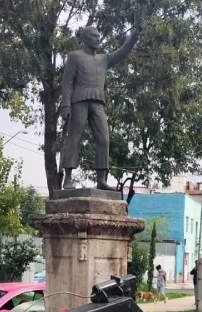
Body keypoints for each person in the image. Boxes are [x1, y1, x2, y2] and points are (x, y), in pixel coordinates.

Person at [59, 13, 143, 190]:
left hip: (98, 103)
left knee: (104, 139)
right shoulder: (75, 56)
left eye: (98, 37)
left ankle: (101, 179)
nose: (97, 39)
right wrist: (65, 105)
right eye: (93, 36)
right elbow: (66, 83)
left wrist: (133, 37)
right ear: (85, 38)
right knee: (74, 138)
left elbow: (123, 52)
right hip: (79, 101)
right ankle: (68, 177)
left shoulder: (103, 59)